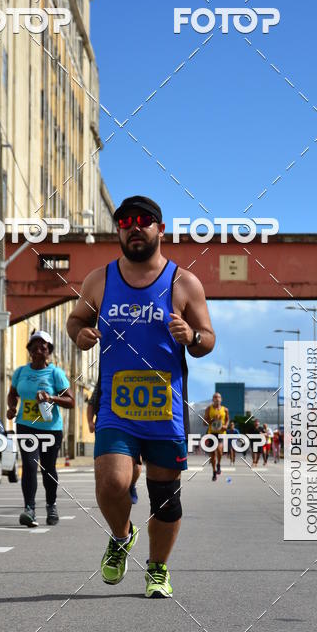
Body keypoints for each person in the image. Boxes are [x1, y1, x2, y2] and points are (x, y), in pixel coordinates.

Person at [67, 194, 215, 598]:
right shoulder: (99, 280)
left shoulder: (184, 282)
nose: (134, 227)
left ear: (160, 229)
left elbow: (208, 339)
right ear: (118, 230)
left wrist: (192, 336)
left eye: (143, 221)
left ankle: (157, 569)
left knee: (164, 497)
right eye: (125, 222)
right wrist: (80, 334)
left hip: (165, 408)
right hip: (116, 405)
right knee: (111, 482)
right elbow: (76, 319)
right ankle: (121, 536)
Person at [6, 330, 75, 527]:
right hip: (26, 425)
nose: (38, 351)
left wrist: (51, 398)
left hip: (50, 429)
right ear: (29, 350)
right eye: (34, 347)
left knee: (48, 468)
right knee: (29, 465)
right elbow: (12, 393)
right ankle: (29, 509)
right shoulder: (20, 372)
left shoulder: (55, 373)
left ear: (49, 351)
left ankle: (51, 505)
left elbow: (71, 401)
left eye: (43, 347)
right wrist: (12, 407)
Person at [88, 372, 142, 503]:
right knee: (108, 466)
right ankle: (112, 494)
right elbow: (92, 403)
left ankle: (131, 484)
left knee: (136, 462)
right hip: (109, 425)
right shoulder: (105, 378)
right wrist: (90, 422)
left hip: (134, 424)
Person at [203, 392, 229, 481]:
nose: (217, 399)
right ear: (213, 399)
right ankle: (214, 472)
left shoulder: (225, 410)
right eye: (215, 397)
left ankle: (219, 464)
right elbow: (204, 422)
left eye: (218, 397)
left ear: (221, 399)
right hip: (211, 433)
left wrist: (226, 426)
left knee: (219, 450)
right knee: (213, 454)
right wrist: (213, 420)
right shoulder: (208, 409)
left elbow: (227, 420)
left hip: (221, 433)